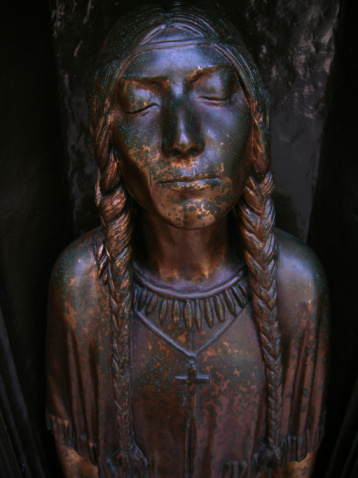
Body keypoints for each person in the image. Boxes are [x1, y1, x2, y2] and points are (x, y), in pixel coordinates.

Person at [46, 4, 329, 477]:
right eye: (141, 102)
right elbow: (80, 459)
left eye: (214, 93)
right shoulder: (83, 287)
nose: (182, 137)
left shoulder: (295, 287)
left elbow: (295, 464)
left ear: (255, 125)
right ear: (107, 138)